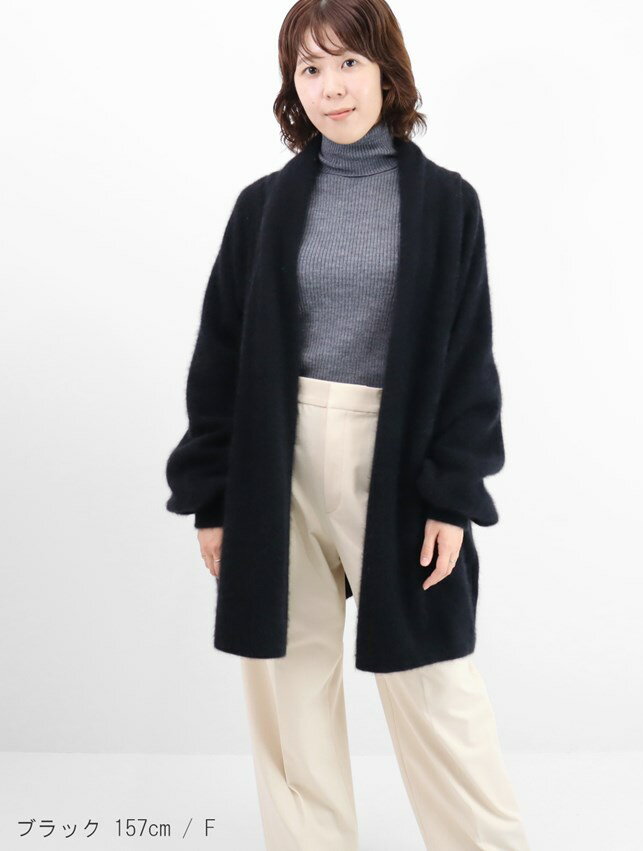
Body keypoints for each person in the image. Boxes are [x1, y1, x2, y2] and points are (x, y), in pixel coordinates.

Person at [165, 1, 531, 848]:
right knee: (288, 685)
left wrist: (451, 495)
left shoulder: (446, 204)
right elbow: (219, 356)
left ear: (385, 72)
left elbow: (467, 357)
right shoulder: (262, 207)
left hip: (394, 458)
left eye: (348, 63)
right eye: (310, 68)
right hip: (275, 459)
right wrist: (212, 498)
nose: (330, 87)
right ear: (291, 86)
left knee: (435, 685)